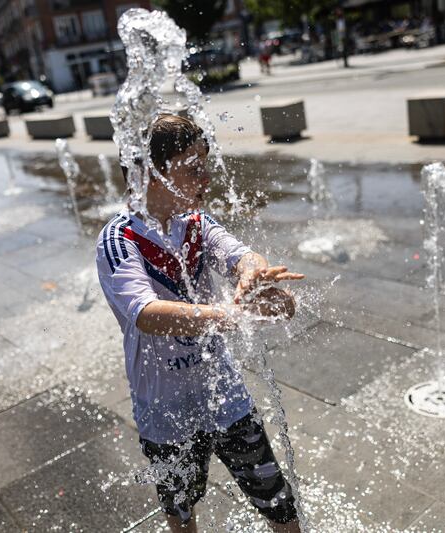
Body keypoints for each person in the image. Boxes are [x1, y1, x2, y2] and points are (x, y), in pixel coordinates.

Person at [96, 114, 304, 533]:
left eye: (205, 163)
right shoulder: (119, 240)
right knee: (181, 509)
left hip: (223, 393)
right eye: (193, 168)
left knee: (277, 500)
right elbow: (148, 314)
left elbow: (239, 254)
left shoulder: (196, 223)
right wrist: (231, 316)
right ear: (150, 174)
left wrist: (254, 275)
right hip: (164, 409)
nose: (205, 177)